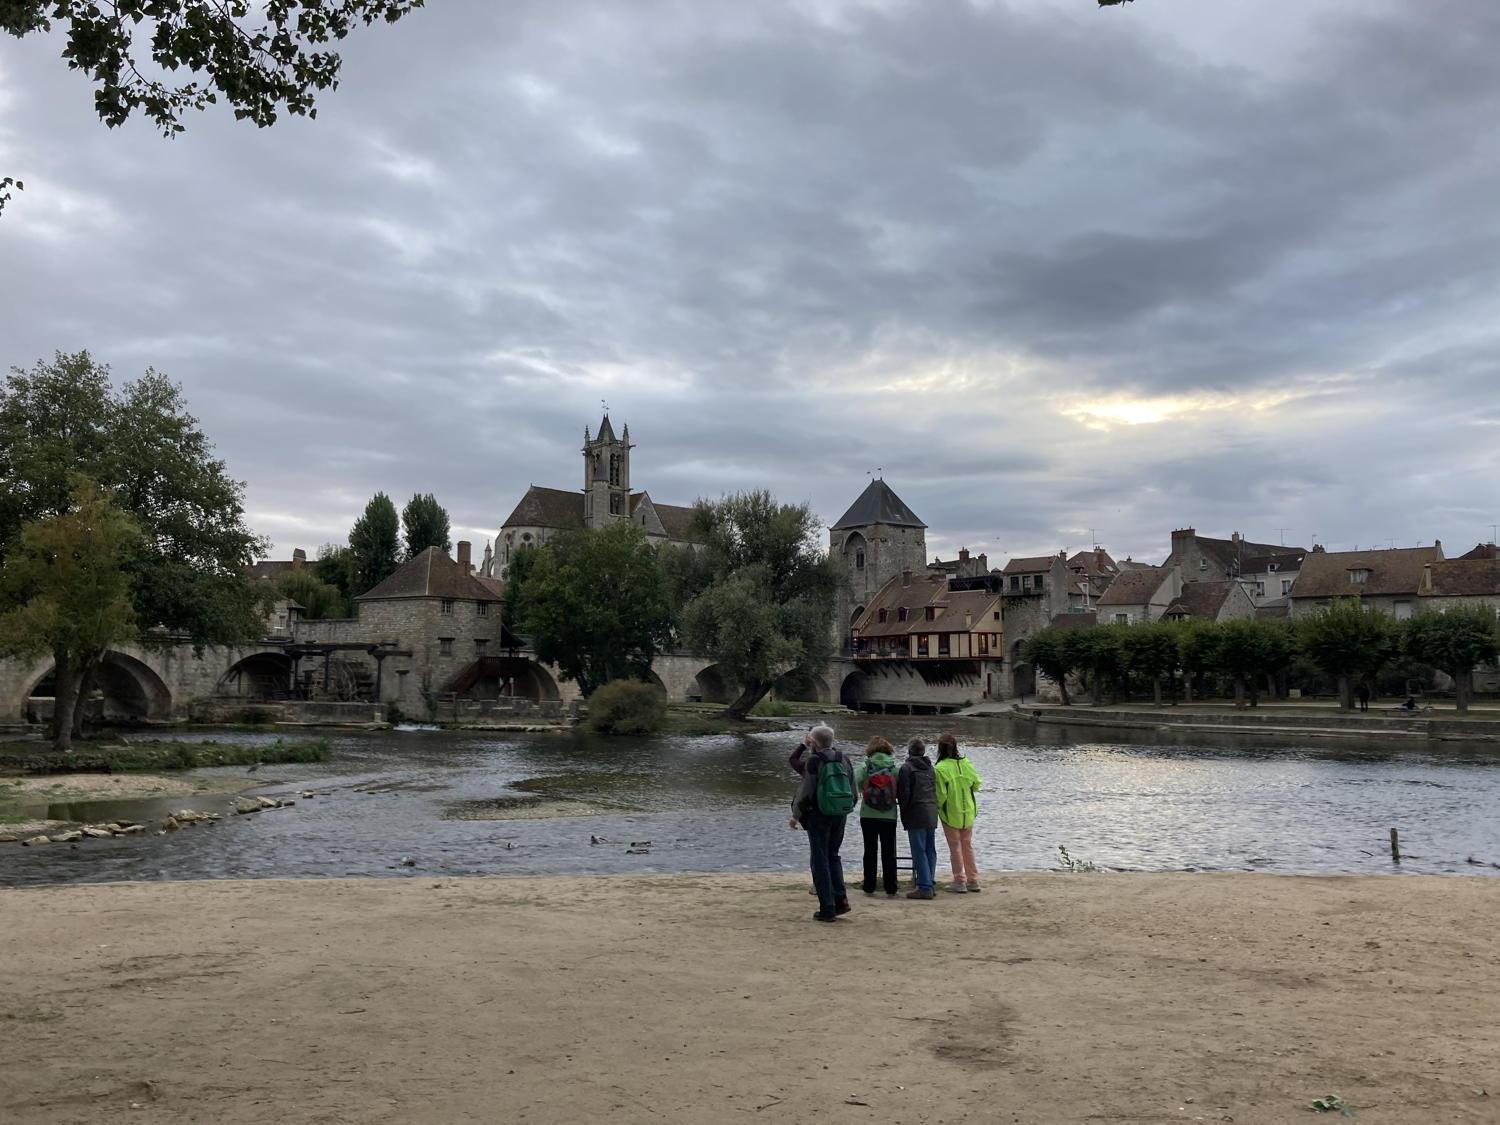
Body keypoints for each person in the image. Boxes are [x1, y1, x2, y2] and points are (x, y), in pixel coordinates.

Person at [789, 724, 855, 922]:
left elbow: (806, 792)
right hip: (840, 813)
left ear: (814, 742)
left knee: (819, 859)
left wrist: (796, 815)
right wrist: (847, 807)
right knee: (833, 855)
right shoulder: (844, 758)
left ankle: (827, 907)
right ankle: (841, 900)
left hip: (819, 814)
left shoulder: (814, 761)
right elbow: (853, 787)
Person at [934, 732, 983, 893]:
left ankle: (959, 881)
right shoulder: (966, 763)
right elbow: (976, 784)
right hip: (968, 811)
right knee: (967, 846)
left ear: (939, 749)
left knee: (955, 848)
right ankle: (973, 879)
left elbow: (940, 795)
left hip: (950, 813)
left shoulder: (940, 768)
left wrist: (937, 808)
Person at [854, 736, 900, 897]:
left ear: (870, 750)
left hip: (868, 814)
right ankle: (891, 887)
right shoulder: (895, 768)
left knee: (870, 850)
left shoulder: (864, 766)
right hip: (889, 815)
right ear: (888, 750)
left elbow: (855, 783)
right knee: (889, 851)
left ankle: (869, 886)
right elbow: (900, 789)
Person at [897, 737, 939, 900]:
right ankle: (930, 882)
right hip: (931, 810)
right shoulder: (930, 768)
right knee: (930, 849)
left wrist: (904, 811)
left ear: (909, 751)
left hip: (915, 812)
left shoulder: (906, 768)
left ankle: (924, 886)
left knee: (919, 850)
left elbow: (904, 794)